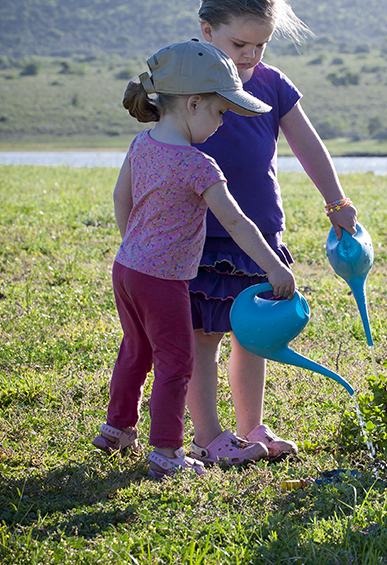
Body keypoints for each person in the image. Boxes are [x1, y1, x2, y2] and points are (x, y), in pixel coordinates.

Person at [93, 40, 297, 479]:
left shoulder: (142, 144)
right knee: (176, 361)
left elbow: (120, 197)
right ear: (193, 103)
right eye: (220, 113)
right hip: (163, 280)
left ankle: (117, 428)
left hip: (127, 268)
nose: (222, 123)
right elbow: (239, 223)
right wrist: (274, 267)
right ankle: (166, 451)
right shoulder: (199, 165)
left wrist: (134, 243)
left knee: (136, 349)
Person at [185, 0, 358, 465]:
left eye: (260, 45)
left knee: (254, 335)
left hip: (258, 238)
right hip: (200, 239)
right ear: (207, 31)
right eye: (239, 43)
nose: (249, 56)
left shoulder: (272, 84)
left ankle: (250, 427)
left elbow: (307, 144)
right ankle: (208, 436)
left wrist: (336, 201)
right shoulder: (186, 87)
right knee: (204, 338)